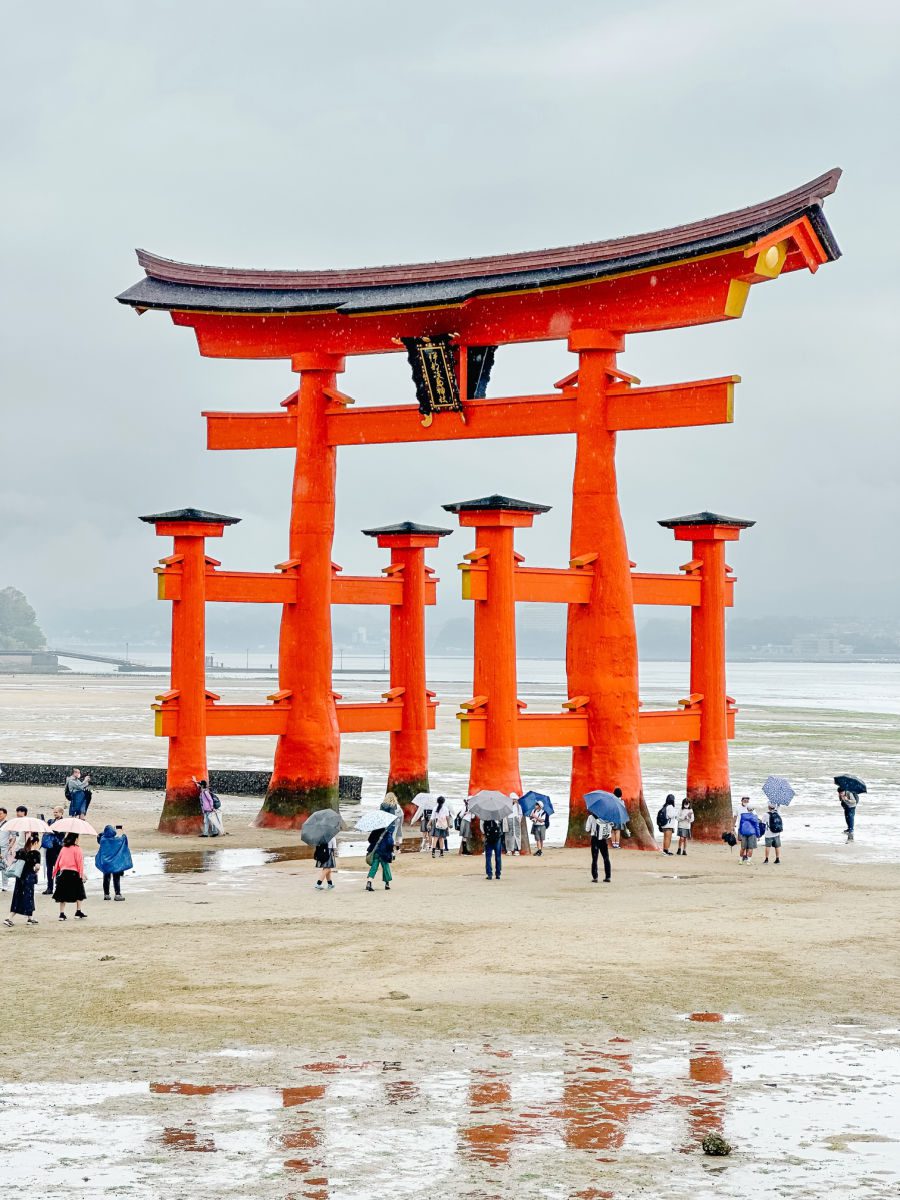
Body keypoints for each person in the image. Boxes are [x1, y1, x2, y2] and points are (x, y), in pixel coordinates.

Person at [5, 833, 41, 927]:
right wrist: (36, 869)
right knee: (28, 897)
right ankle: (9, 918)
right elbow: (37, 867)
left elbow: (15, 860)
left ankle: (30, 918)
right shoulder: (36, 853)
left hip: (20, 877)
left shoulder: (21, 851)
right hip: (29, 878)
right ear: (36, 842)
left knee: (17, 896)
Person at [53, 832, 87, 919]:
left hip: (64, 873)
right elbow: (80, 863)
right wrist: (81, 874)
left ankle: (62, 914)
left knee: (62, 895)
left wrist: (55, 872)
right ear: (75, 839)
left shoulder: (63, 848)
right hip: (74, 873)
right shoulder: (77, 849)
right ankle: (78, 911)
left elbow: (58, 861)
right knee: (79, 893)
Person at [95, 824, 133, 900]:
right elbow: (124, 838)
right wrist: (122, 830)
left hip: (105, 863)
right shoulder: (117, 840)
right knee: (116, 878)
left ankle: (106, 895)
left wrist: (104, 833)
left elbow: (99, 836)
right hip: (115, 863)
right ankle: (117, 895)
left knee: (106, 877)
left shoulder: (102, 840)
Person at [41, 806, 66, 894]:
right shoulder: (50, 821)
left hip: (58, 848)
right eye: (54, 812)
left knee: (58, 868)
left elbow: (62, 834)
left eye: (57, 812)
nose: (55, 814)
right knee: (49, 869)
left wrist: (51, 830)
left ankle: (58, 887)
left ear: (61, 813)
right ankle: (49, 888)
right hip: (50, 847)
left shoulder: (64, 823)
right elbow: (45, 831)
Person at [366, 823, 394, 892]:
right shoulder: (387, 832)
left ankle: (369, 882)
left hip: (375, 852)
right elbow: (390, 843)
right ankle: (387, 884)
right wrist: (391, 851)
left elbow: (369, 840)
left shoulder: (374, 831)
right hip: (384, 853)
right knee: (385, 867)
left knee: (374, 867)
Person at [734, 797, 762, 864]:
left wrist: (740, 831)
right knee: (750, 847)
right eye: (745, 800)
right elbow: (756, 826)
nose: (746, 802)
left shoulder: (743, 816)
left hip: (743, 831)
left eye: (747, 801)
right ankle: (748, 861)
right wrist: (758, 835)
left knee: (743, 847)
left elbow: (741, 823)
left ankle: (741, 860)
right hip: (752, 832)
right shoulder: (754, 816)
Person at [586, 812, 611, 883]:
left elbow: (587, 829)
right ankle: (608, 876)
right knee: (606, 858)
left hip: (595, 839)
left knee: (594, 859)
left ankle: (595, 877)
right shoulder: (605, 816)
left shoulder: (591, 817)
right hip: (603, 839)